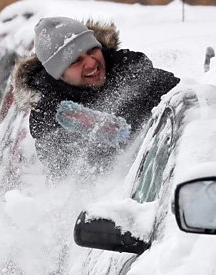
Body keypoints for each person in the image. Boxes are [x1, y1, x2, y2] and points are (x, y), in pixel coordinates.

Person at [14, 17, 180, 175]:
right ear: (58, 74)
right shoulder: (50, 113)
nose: (91, 63)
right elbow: (70, 178)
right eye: (75, 61)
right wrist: (99, 137)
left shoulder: (128, 69)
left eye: (92, 50)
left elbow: (183, 99)